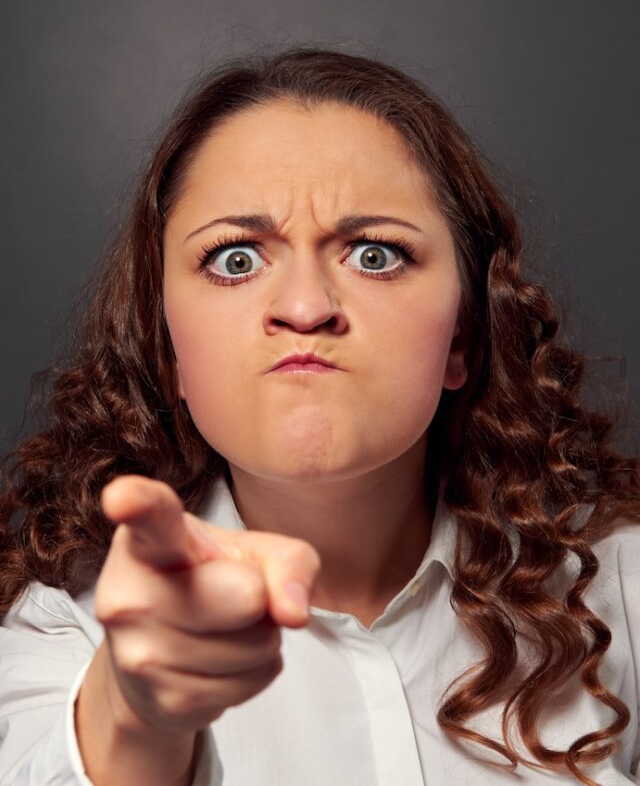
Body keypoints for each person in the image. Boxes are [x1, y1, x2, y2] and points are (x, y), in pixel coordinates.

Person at [0, 47, 638, 786]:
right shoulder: (56, 635)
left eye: (374, 255)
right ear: (165, 343)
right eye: (236, 259)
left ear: (462, 334)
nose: (305, 307)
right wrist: (135, 711)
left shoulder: (616, 588)